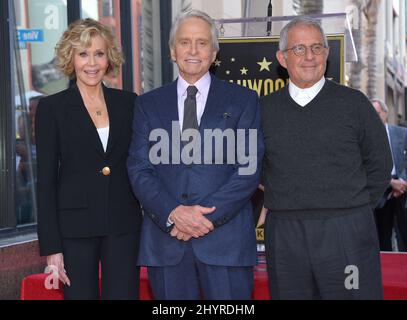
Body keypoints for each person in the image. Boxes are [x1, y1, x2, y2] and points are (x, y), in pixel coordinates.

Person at [127, 10, 264, 300]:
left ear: (214, 52)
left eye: (202, 43)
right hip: (166, 243)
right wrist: (173, 213)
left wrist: (203, 220)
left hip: (226, 244)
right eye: (184, 42)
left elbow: (248, 169)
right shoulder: (147, 105)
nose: (193, 50)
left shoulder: (244, 100)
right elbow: (139, 168)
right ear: (172, 51)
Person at [260, 16, 392, 299]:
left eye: (317, 48)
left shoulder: (355, 104)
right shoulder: (262, 110)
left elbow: (380, 164)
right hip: (286, 237)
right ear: (282, 58)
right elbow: (254, 168)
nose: (309, 56)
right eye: (298, 49)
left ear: (327, 54)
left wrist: (351, 208)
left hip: (348, 235)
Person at [35, 18, 142, 300]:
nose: (91, 63)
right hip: (74, 231)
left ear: (109, 58)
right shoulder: (51, 108)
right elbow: (45, 182)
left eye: (99, 53)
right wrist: (51, 248)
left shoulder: (129, 103)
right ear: (71, 57)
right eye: (83, 54)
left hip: (123, 225)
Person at [371, 98, 407, 251]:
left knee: (404, 236)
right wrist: (390, 183)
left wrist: (403, 182)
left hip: (403, 191)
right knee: (383, 239)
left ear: (385, 113)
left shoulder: (402, 133)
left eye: (377, 113)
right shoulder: (365, 139)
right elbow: (366, 167)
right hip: (381, 193)